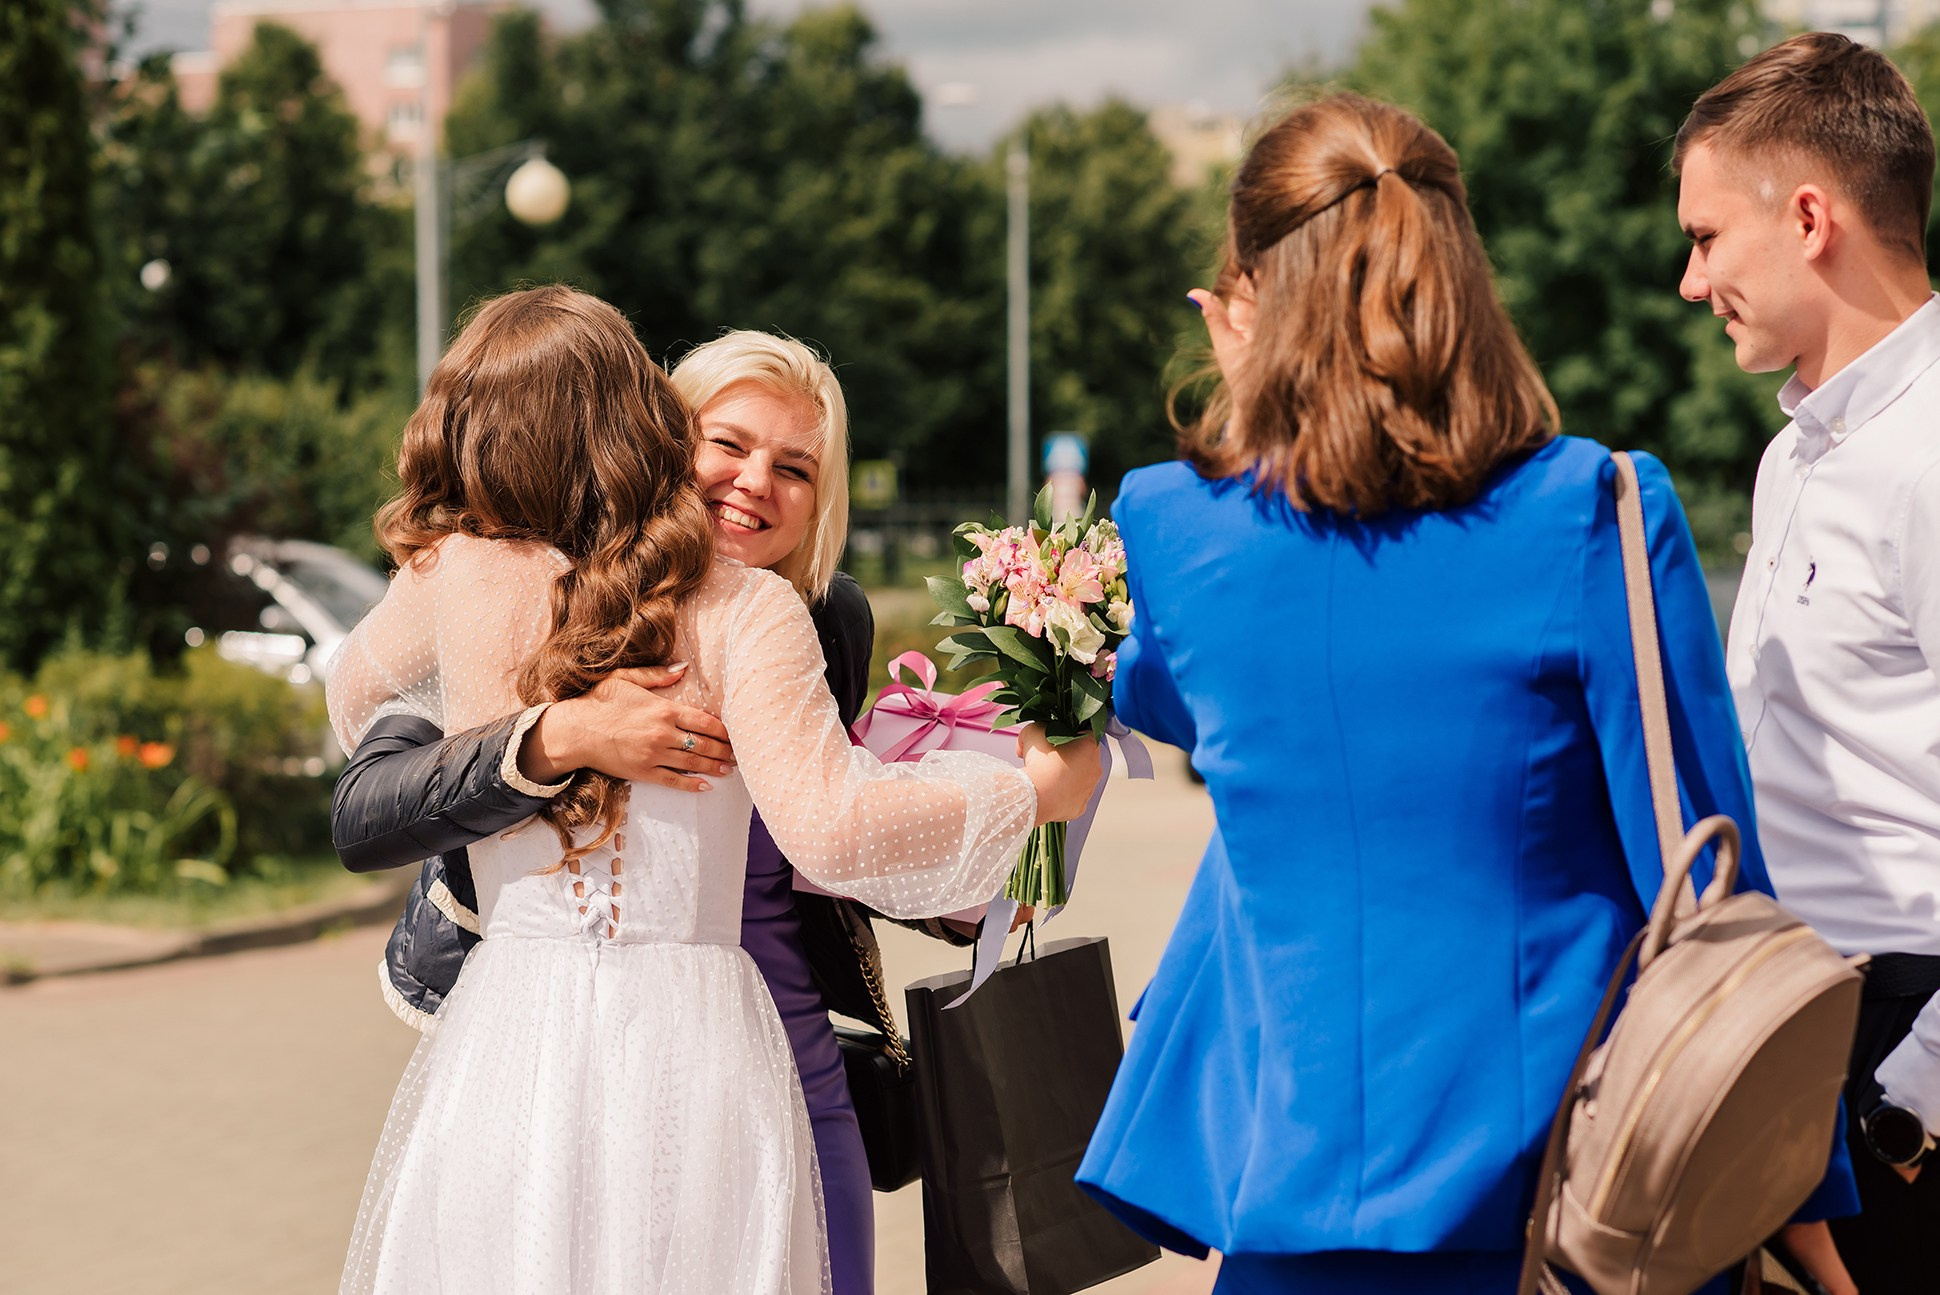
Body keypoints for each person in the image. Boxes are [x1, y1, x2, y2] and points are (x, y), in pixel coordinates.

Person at [1071, 92, 1855, 1295]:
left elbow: (1174, 700)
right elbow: (1697, 868)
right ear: (1460, 276)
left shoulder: (1172, 525)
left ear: (1246, 297)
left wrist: (1257, 409)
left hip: (1287, 1211)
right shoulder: (1594, 509)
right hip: (1563, 1208)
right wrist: (1796, 1182)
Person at [326, 285, 1101, 1294]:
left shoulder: (462, 574)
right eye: (726, 445)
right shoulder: (747, 610)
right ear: (653, 426)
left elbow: (351, 695)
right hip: (698, 1045)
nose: (752, 484)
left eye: (792, 468)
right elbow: (832, 827)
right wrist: (1025, 794)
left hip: (512, 1044)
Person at [1676, 32, 1940, 1295]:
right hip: (1793, 1035)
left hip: (1902, 1053)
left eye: (1705, 237)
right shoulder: (1793, 455)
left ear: (1806, 216)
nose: (1688, 280)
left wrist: (1906, 1109)